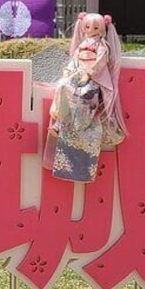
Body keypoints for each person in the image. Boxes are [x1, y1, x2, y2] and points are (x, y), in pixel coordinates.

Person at [46, 12, 125, 182]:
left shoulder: (101, 45)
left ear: (102, 28)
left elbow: (100, 63)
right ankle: (60, 118)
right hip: (77, 75)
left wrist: (89, 74)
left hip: (92, 80)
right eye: (87, 27)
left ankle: (72, 122)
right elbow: (74, 61)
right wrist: (68, 73)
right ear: (82, 27)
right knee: (63, 86)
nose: (91, 30)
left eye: (95, 27)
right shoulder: (82, 45)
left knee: (84, 95)